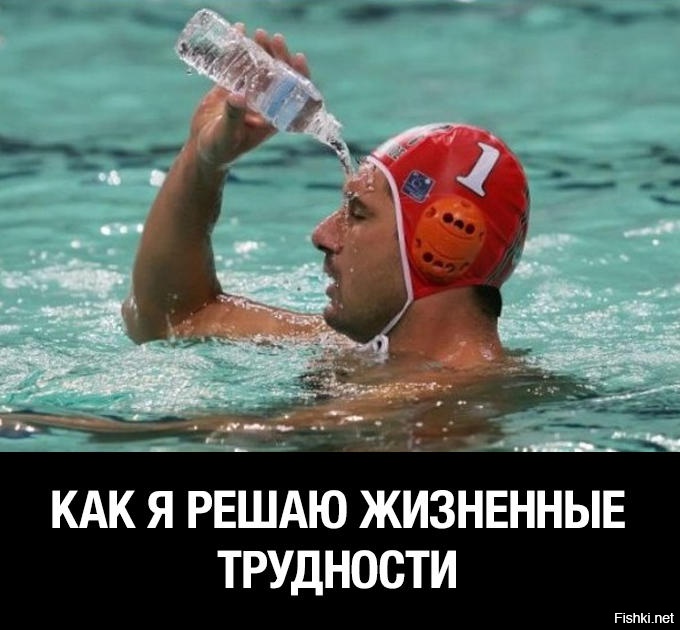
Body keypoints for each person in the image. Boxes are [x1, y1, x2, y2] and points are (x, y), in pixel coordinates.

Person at [1, 27, 543, 449]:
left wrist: (28, 423)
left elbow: (211, 437)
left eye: (357, 214)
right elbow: (172, 318)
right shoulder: (362, 348)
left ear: (443, 248)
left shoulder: (441, 403)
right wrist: (204, 160)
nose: (322, 235)